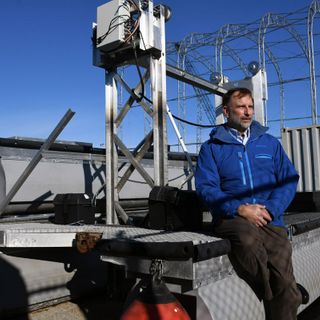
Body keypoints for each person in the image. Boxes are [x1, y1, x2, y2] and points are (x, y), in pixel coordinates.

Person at [195, 87, 309, 320]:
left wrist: (272, 209)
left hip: (269, 217)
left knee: (283, 271)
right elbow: (206, 189)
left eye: (250, 107)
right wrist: (240, 208)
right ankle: (276, 292)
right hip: (232, 218)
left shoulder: (269, 143)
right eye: (241, 107)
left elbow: (289, 180)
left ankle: (286, 293)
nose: (247, 112)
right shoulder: (212, 148)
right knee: (247, 241)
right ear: (227, 111)